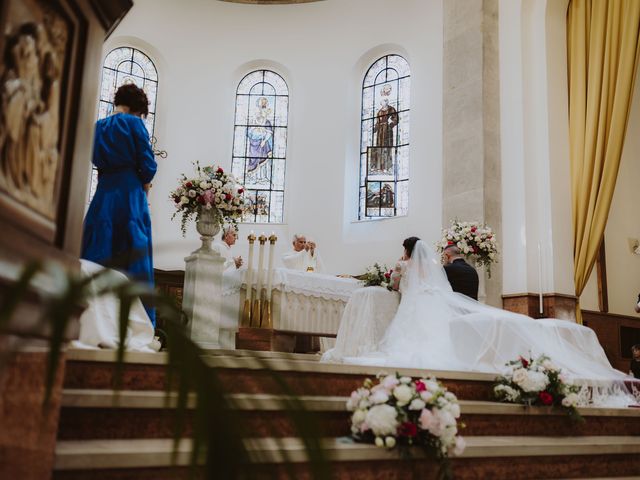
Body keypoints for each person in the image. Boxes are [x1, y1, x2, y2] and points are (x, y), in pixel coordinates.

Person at [323, 239, 638, 406]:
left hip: (430, 308)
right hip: (456, 310)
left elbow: (405, 286)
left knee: (417, 339)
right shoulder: (469, 270)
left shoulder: (428, 270)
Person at [81, 83, 157, 325]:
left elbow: (94, 158)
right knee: (134, 252)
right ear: (138, 108)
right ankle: (136, 321)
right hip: (130, 194)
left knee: (98, 249)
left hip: (104, 193)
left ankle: (92, 318)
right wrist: (145, 182)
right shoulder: (134, 123)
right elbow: (148, 165)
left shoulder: (98, 127)